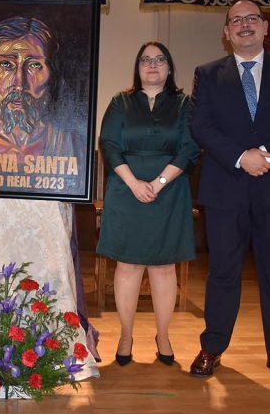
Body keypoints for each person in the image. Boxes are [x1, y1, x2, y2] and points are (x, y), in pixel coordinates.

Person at [189, 0, 270, 383]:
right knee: (223, 273)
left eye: (252, 19)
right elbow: (201, 125)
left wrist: (265, 153)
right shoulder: (207, 73)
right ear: (226, 34)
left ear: (265, 27)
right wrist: (240, 157)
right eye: (236, 21)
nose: (244, 25)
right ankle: (212, 348)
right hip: (225, 189)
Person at [96, 41, 200, 366]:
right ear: (138, 67)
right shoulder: (120, 101)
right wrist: (135, 183)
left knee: (164, 266)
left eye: (159, 59)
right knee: (127, 266)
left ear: (169, 68)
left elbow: (189, 148)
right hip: (126, 190)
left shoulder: (185, 103)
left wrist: (157, 183)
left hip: (169, 192)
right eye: (145, 60)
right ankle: (126, 335)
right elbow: (109, 145)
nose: (152, 64)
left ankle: (163, 335)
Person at [0, 16, 84, 193]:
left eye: (33, 65)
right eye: (6, 64)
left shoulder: (71, 145)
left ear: (51, 73)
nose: (19, 83)